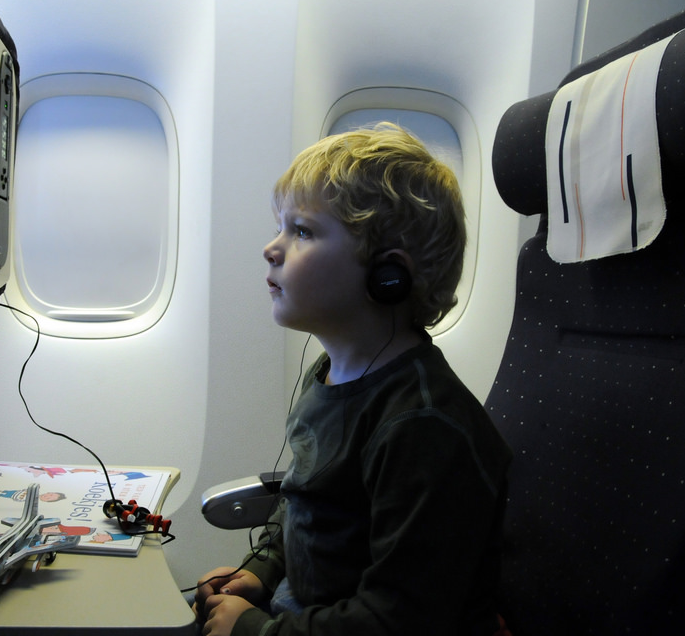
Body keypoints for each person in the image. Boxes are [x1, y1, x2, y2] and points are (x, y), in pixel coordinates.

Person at [194, 123, 513, 636]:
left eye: (301, 231)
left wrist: (255, 631)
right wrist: (257, 574)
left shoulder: (424, 428)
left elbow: (399, 620)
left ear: (387, 276)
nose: (271, 249)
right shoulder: (328, 375)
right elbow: (308, 510)